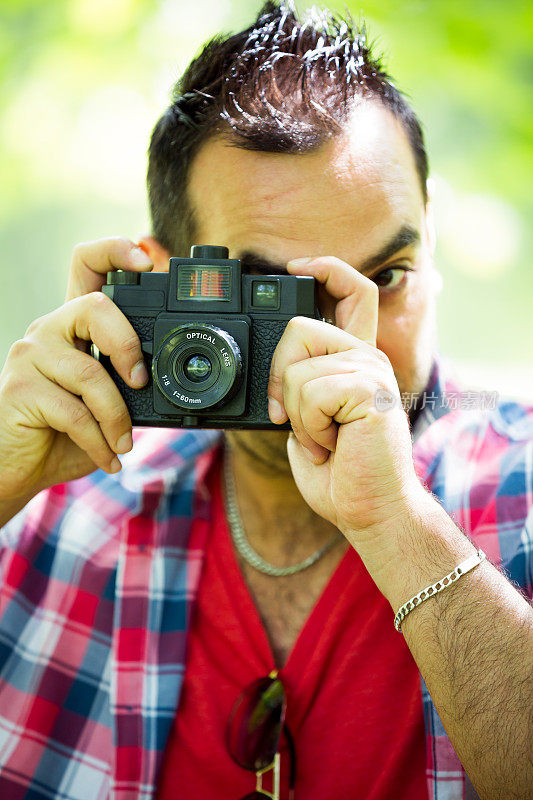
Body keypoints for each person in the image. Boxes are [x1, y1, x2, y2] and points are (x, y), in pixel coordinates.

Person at [0, 2, 531, 798]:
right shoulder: (63, 514)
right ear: (161, 288)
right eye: (273, 294)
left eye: (385, 277)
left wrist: (398, 525)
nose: (346, 343)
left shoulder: (519, 491)